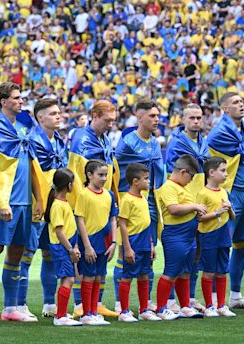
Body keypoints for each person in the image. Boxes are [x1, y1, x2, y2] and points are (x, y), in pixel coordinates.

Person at [0, 82, 43, 324]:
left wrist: (38, 198)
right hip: (6, 203)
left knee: (16, 253)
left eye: (21, 97)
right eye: (16, 98)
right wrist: (1, 202)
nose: (21, 101)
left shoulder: (24, 126)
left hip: (24, 202)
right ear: (3, 101)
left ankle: (10, 307)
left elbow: (32, 164)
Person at [68, 100, 118, 318]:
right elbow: (77, 176)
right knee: (86, 256)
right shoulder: (82, 139)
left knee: (101, 256)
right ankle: (81, 304)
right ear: (95, 115)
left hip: (103, 206)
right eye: (107, 120)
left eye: (113, 121)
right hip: (87, 207)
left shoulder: (104, 139)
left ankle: (96, 303)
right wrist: (85, 205)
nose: (110, 125)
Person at [115, 100, 164, 313]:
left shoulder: (155, 142)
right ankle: (120, 301)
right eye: (152, 116)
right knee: (124, 254)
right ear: (139, 116)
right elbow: (118, 171)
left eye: (157, 115)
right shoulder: (127, 142)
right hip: (130, 203)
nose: (156, 119)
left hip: (151, 203)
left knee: (148, 253)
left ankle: (146, 303)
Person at [207, 92, 244, 309]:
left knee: (242, 245)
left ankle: (235, 296)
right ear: (225, 109)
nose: (241, 104)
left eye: (242, 102)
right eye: (235, 102)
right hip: (229, 192)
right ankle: (217, 300)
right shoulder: (219, 133)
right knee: (223, 246)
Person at [23, 98, 67, 319]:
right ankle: (18, 305)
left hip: (55, 207)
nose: (58, 116)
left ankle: (49, 303)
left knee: (50, 253)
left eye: (59, 112)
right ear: (40, 117)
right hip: (36, 205)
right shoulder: (31, 140)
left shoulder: (59, 140)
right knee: (27, 254)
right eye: (53, 113)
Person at [165, 103, 209, 311]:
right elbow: (172, 175)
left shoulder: (204, 143)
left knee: (195, 256)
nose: (196, 121)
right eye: (192, 118)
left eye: (199, 118)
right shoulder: (176, 144)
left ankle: (189, 298)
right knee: (178, 257)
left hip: (200, 204)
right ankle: (171, 300)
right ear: (183, 120)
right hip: (185, 205)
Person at [155, 155, 204, 320]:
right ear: (183, 172)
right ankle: (162, 308)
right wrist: (195, 206)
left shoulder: (182, 188)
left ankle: (184, 307)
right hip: (175, 235)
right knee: (171, 271)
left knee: (185, 272)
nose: (190, 181)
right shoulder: (169, 187)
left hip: (188, 236)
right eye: (190, 177)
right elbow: (173, 209)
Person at [75, 160, 117, 326]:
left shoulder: (109, 194)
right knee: (89, 276)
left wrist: (114, 242)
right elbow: (80, 220)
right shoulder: (84, 195)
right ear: (89, 175)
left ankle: (94, 311)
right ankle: (87, 313)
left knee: (99, 276)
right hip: (90, 241)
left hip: (105, 241)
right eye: (100, 175)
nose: (104, 178)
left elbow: (113, 218)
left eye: (106, 175)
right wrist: (87, 246)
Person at [117, 163, 160, 323]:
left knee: (144, 276)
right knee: (127, 276)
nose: (149, 182)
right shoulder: (127, 199)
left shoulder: (143, 197)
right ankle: (124, 311)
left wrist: (151, 244)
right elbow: (122, 223)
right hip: (133, 244)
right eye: (146, 179)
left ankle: (144, 310)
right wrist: (127, 248)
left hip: (144, 243)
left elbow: (146, 222)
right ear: (135, 181)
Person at [196, 157, 236, 318]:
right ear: (211, 173)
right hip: (209, 236)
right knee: (208, 271)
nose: (226, 174)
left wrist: (230, 209)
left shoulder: (224, 192)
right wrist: (218, 212)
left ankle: (221, 304)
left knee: (222, 271)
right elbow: (199, 218)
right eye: (223, 170)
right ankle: (209, 305)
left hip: (224, 235)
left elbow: (232, 217)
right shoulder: (203, 193)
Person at [44, 168, 82, 327]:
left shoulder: (64, 203)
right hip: (61, 247)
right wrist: (70, 249)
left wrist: (75, 246)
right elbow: (59, 231)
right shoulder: (58, 205)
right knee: (69, 279)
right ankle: (60, 316)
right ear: (69, 185)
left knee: (67, 279)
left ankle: (62, 312)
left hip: (67, 246)